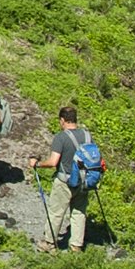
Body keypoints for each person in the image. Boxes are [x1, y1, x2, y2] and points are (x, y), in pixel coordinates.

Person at [43, 103, 99, 252]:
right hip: (84, 181)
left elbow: (53, 162)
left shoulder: (61, 138)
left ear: (62, 120)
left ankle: (49, 243)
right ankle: (76, 245)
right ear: (75, 119)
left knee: (56, 212)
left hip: (65, 181)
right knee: (79, 213)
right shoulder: (87, 135)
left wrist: (38, 164)